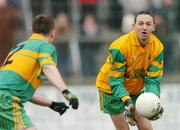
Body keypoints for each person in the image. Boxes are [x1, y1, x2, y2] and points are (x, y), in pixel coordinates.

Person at [0, 15, 79, 130]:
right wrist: (66, 92)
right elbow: (48, 67)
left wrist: (51, 104)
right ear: (53, 33)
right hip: (6, 100)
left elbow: (18, 89)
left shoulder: (18, 47)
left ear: (31, 30)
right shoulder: (44, 46)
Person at [96, 11, 164, 130]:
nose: (144, 27)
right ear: (133, 27)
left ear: (154, 27)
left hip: (134, 89)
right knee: (123, 129)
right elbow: (116, 81)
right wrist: (127, 102)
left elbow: (153, 80)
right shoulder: (120, 47)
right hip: (110, 89)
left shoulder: (157, 47)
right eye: (140, 23)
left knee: (147, 128)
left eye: (148, 24)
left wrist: (154, 101)